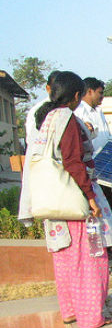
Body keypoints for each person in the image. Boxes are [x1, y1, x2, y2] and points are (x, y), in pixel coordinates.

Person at [30, 71, 112, 328]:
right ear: (77, 95)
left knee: (66, 256)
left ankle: (70, 310)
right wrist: (90, 198)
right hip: (75, 201)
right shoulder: (67, 118)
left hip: (55, 200)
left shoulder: (47, 118)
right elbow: (72, 161)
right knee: (91, 256)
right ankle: (91, 317)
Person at [74, 77, 112, 253]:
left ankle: (111, 244)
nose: (102, 97)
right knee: (96, 208)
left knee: (110, 204)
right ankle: (101, 246)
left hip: (107, 166)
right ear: (90, 91)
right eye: (100, 93)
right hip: (91, 168)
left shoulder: (98, 112)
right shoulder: (79, 112)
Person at [17, 70, 61, 226]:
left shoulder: (67, 109)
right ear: (48, 88)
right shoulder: (40, 110)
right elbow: (34, 141)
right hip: (47, 169)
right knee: (53, 219)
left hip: (61, 173)